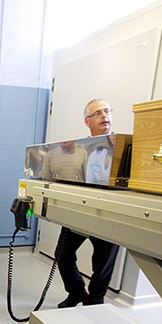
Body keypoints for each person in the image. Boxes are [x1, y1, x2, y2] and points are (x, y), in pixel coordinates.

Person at [55, 99, 120, 308]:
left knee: (102, 263)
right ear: (87, 121)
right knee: (62, 254)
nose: (105, 116)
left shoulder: (121, 146)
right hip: (80, 210)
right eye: (98, 113)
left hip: (109, 212)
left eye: (107, 111)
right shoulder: (80, 148)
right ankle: (76, 293)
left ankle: (95, 302)